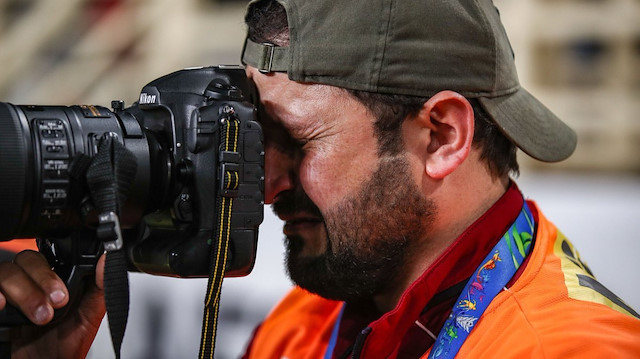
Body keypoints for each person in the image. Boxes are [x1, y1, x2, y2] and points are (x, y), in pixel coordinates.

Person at [2, 0, 640, 358]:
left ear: (443, 135)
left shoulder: (566, 350)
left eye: (295, 141)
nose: (267, 182)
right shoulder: (307, 323)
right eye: (252, 135)